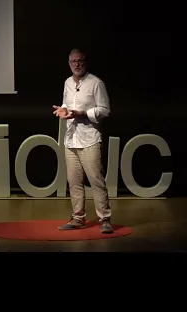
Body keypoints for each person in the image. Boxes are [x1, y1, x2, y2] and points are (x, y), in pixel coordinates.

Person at [52, 48, 114, 234]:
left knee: (96, 180)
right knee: (74, 182)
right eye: (73, 61)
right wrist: (63, 110)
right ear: (69, 64)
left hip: (89, 139)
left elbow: (105, 110)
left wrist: (83, 114)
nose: (77, 64)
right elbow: (67, 104)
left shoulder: (96, 83)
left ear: (86, 63)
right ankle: (78, 218)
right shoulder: (68, 83)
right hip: (71, 139)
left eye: (80, 61)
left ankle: (105, 219)